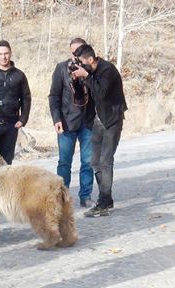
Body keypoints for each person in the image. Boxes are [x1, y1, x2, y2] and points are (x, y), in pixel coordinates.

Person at [71, 44, 128, 217]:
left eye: (81, 63)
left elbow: (101, 93)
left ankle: (103, 202)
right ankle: (107, 198)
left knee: (105, 161)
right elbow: (83, 97)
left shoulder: (107, 70)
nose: (79, 66)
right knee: (94, 161)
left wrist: (86, 76)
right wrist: (76, 80)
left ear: (90, 60)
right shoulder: (90, 72)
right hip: (98, 119)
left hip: (113, 119)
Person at [48, 38, 95, 208]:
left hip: (88, 122)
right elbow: (53, 96)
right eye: (74, 51)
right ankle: (62, 197)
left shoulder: (91, 68)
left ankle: (86, 196)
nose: (76, 54)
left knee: (88, 161)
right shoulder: (61, 68)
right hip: (67, 122)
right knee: (64, 162)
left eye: (80, 51)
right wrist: (57, 119)